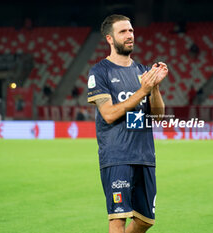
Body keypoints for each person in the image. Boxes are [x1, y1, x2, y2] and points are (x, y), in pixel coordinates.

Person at [87, 14, 168, 233]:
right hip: (117, 155)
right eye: (123, 31)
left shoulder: (142, 71)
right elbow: (109, 114)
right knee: (118, 218)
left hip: (144, 156)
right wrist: (142, 90)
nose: (129, 35)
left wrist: (155, 88)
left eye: (131, 30)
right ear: (109, 39)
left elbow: (157, 118)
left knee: (145, 221)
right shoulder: (100, 72)